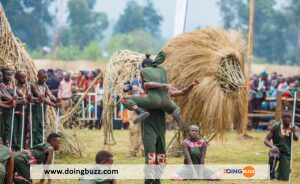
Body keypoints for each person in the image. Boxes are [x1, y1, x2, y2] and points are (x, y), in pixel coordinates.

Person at [122, 52, 198, 130]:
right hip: (166, 102)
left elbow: (146, 85)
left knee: (124, 99)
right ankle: (175, 111)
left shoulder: (145, 75)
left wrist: (139, 90)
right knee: (176, 108)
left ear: (144, 67)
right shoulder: (164, 80)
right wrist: (192, 85)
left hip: (150, 102)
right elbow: (182, 92)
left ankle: (139, 111)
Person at [264, 109, 298, 181]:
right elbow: (266, 140)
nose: (287, 119)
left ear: (291, 118)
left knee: (284, 178)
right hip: (277, 151)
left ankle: (277, 173)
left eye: (289, 117)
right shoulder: (275, 126)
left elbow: (296, 139)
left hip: (286, 154)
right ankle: (271, 173)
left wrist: (293, 133)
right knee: (273, 153)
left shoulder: (292, 128)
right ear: (281, 117)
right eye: (285, 117)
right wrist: (273, 146)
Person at [31, 69, 61, 146]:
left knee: (41, 126)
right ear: (37, 76)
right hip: (35, 110)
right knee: (33, 127)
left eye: (45, 78)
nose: (44, 79)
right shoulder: (33, 85)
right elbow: (42, 97)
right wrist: (53, 105)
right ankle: (32, 144)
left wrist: (56, 100)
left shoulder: (45, 85)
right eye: (42, 77)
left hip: (42, 109)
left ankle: (40, 144)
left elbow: (50, 95)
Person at [0, 68, 18, 147]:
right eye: (7, 75)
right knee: (3, 128)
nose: (9, 77)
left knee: (9, 127)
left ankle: (7, 144)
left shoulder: (12, 85)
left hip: (10, 110)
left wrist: (17, 100)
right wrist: (11, 101)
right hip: (3, 111)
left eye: (11, 75)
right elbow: (4, 96)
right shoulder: (1, 85)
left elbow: (16, 96)